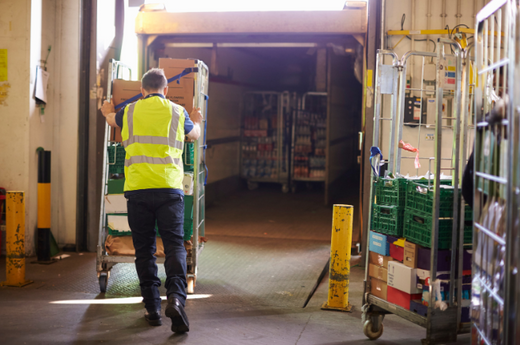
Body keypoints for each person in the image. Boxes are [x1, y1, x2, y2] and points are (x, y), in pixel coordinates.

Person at [101, 68, 202, 333]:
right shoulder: (178, 113)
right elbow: (194, 135)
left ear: (143, 90)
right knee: (174, 246)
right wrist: (198, 120)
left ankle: (152, 307)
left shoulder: (130, 111)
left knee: (144, 249)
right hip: (170, 190)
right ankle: (177, 299)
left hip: (138, 191)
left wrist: (106, 109)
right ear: (165, 89)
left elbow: (112, 119)